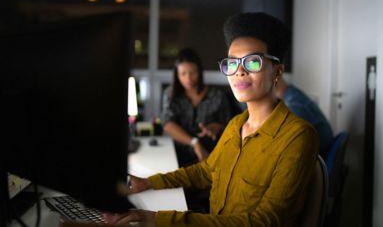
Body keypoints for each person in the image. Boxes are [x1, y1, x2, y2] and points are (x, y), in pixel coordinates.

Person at [104, 12, 319, 227]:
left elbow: (265, 222)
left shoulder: (298, 137)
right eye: (232, 63)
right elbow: (206, 171)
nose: (239, 72)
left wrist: (157, 219)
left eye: (253, 62)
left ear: (277, 71)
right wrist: (149, 183)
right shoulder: (236, 125)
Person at [161, 48, 233, 168]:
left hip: (211, 156)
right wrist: (194, 143)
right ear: (176, 75)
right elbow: (168, 124)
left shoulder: (217, 95)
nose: (188, 78)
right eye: (183, 74)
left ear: (199, 71)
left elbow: (229, 125)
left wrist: (215, 127)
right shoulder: (171, 94)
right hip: (177, 156)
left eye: (193, 72)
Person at [275, 78, 335, 158]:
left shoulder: (294, 106)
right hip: (322, 151)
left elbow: (288, 146)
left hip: (319, 156)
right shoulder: (293, 93)